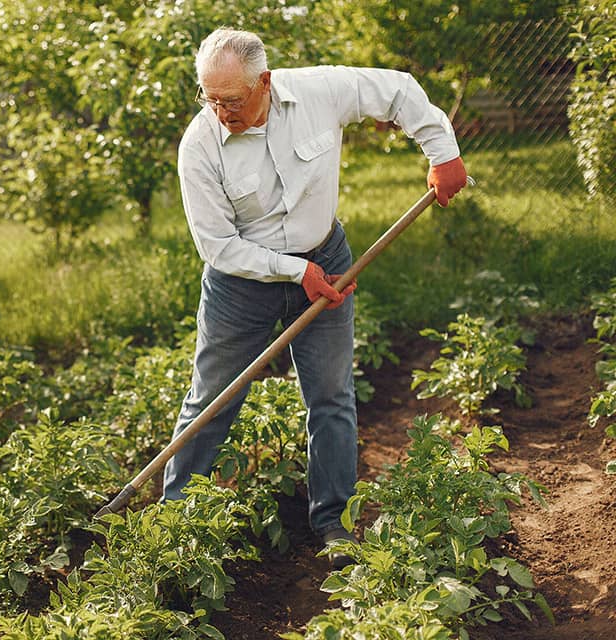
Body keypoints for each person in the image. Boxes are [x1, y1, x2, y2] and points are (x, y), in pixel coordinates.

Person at [163, 27, 467, 568]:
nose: (221, 111)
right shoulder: (200, 145)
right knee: (212, 400)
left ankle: (334, 523)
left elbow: (397, 90)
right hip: (242, 286)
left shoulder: (318, 91)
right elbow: (217, 247)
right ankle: (173, 524)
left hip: (325, 261)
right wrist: (291, 270)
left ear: (265, 82)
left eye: (232, 99)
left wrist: (442, 153)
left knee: (331, 397)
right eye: (210, 98)